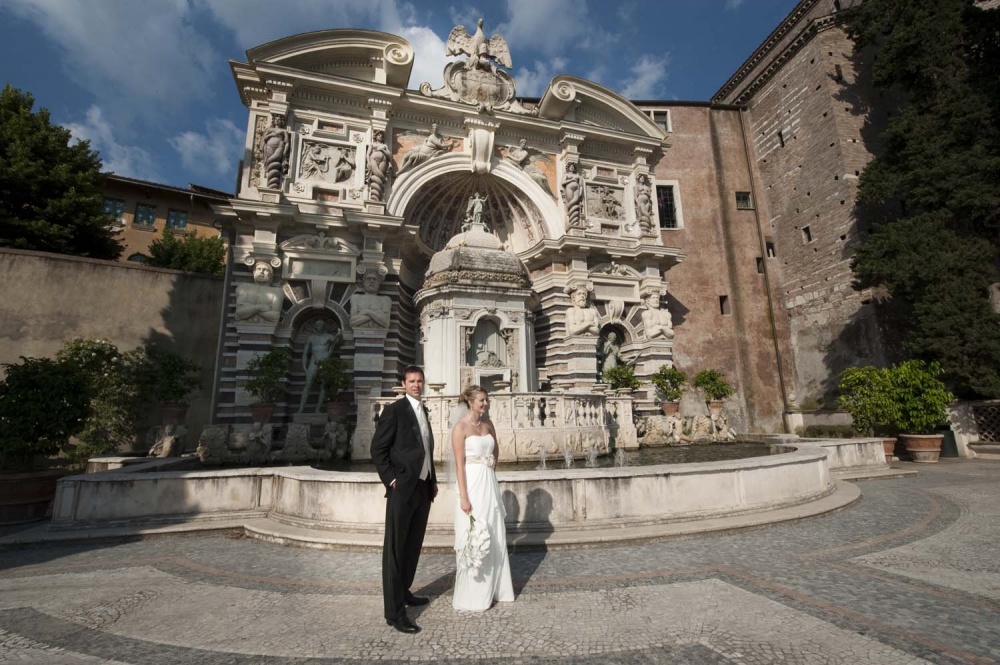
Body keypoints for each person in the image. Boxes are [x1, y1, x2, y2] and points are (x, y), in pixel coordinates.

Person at [371, 366, 438, 634]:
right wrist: (392, 479)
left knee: (413, 545)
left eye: (420, 381)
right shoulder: (395, 410)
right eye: (412, 381)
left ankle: (405, 591)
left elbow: (425, 449)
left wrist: (432, 481)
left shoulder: (424, 410)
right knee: (396, 551)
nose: (416, 385)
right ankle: (395, 613)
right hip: (402, 488)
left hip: (422, 488)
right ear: (404, 383)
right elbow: (378, 449)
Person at [449, 385, 514, 612]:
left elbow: (496, 449)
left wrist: (491, 464)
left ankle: (496, 588)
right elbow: (459, 464)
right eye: (481, 401)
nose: (485, 404)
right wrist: (464, 497)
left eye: (486, 400)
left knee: (494, 530)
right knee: (475, 531)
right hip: (471, 482)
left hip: (488, 482)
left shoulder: (488, 425)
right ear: (470, 402)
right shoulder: (460, 428)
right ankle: (474, 593)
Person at [297, 319, 340, 413]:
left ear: (324, 326)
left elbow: (337, 342)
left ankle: (318, 409)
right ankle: (300, 409)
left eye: (321, 325)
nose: (320, 326)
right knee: (308, 385)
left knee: (323, 386)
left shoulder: (329, 337)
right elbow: (305, 353)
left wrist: (339, 335)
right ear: (315, 326)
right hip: (313, 363)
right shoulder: (311, 338)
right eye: (318, 325)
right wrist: (305, 367)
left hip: (325, 364)